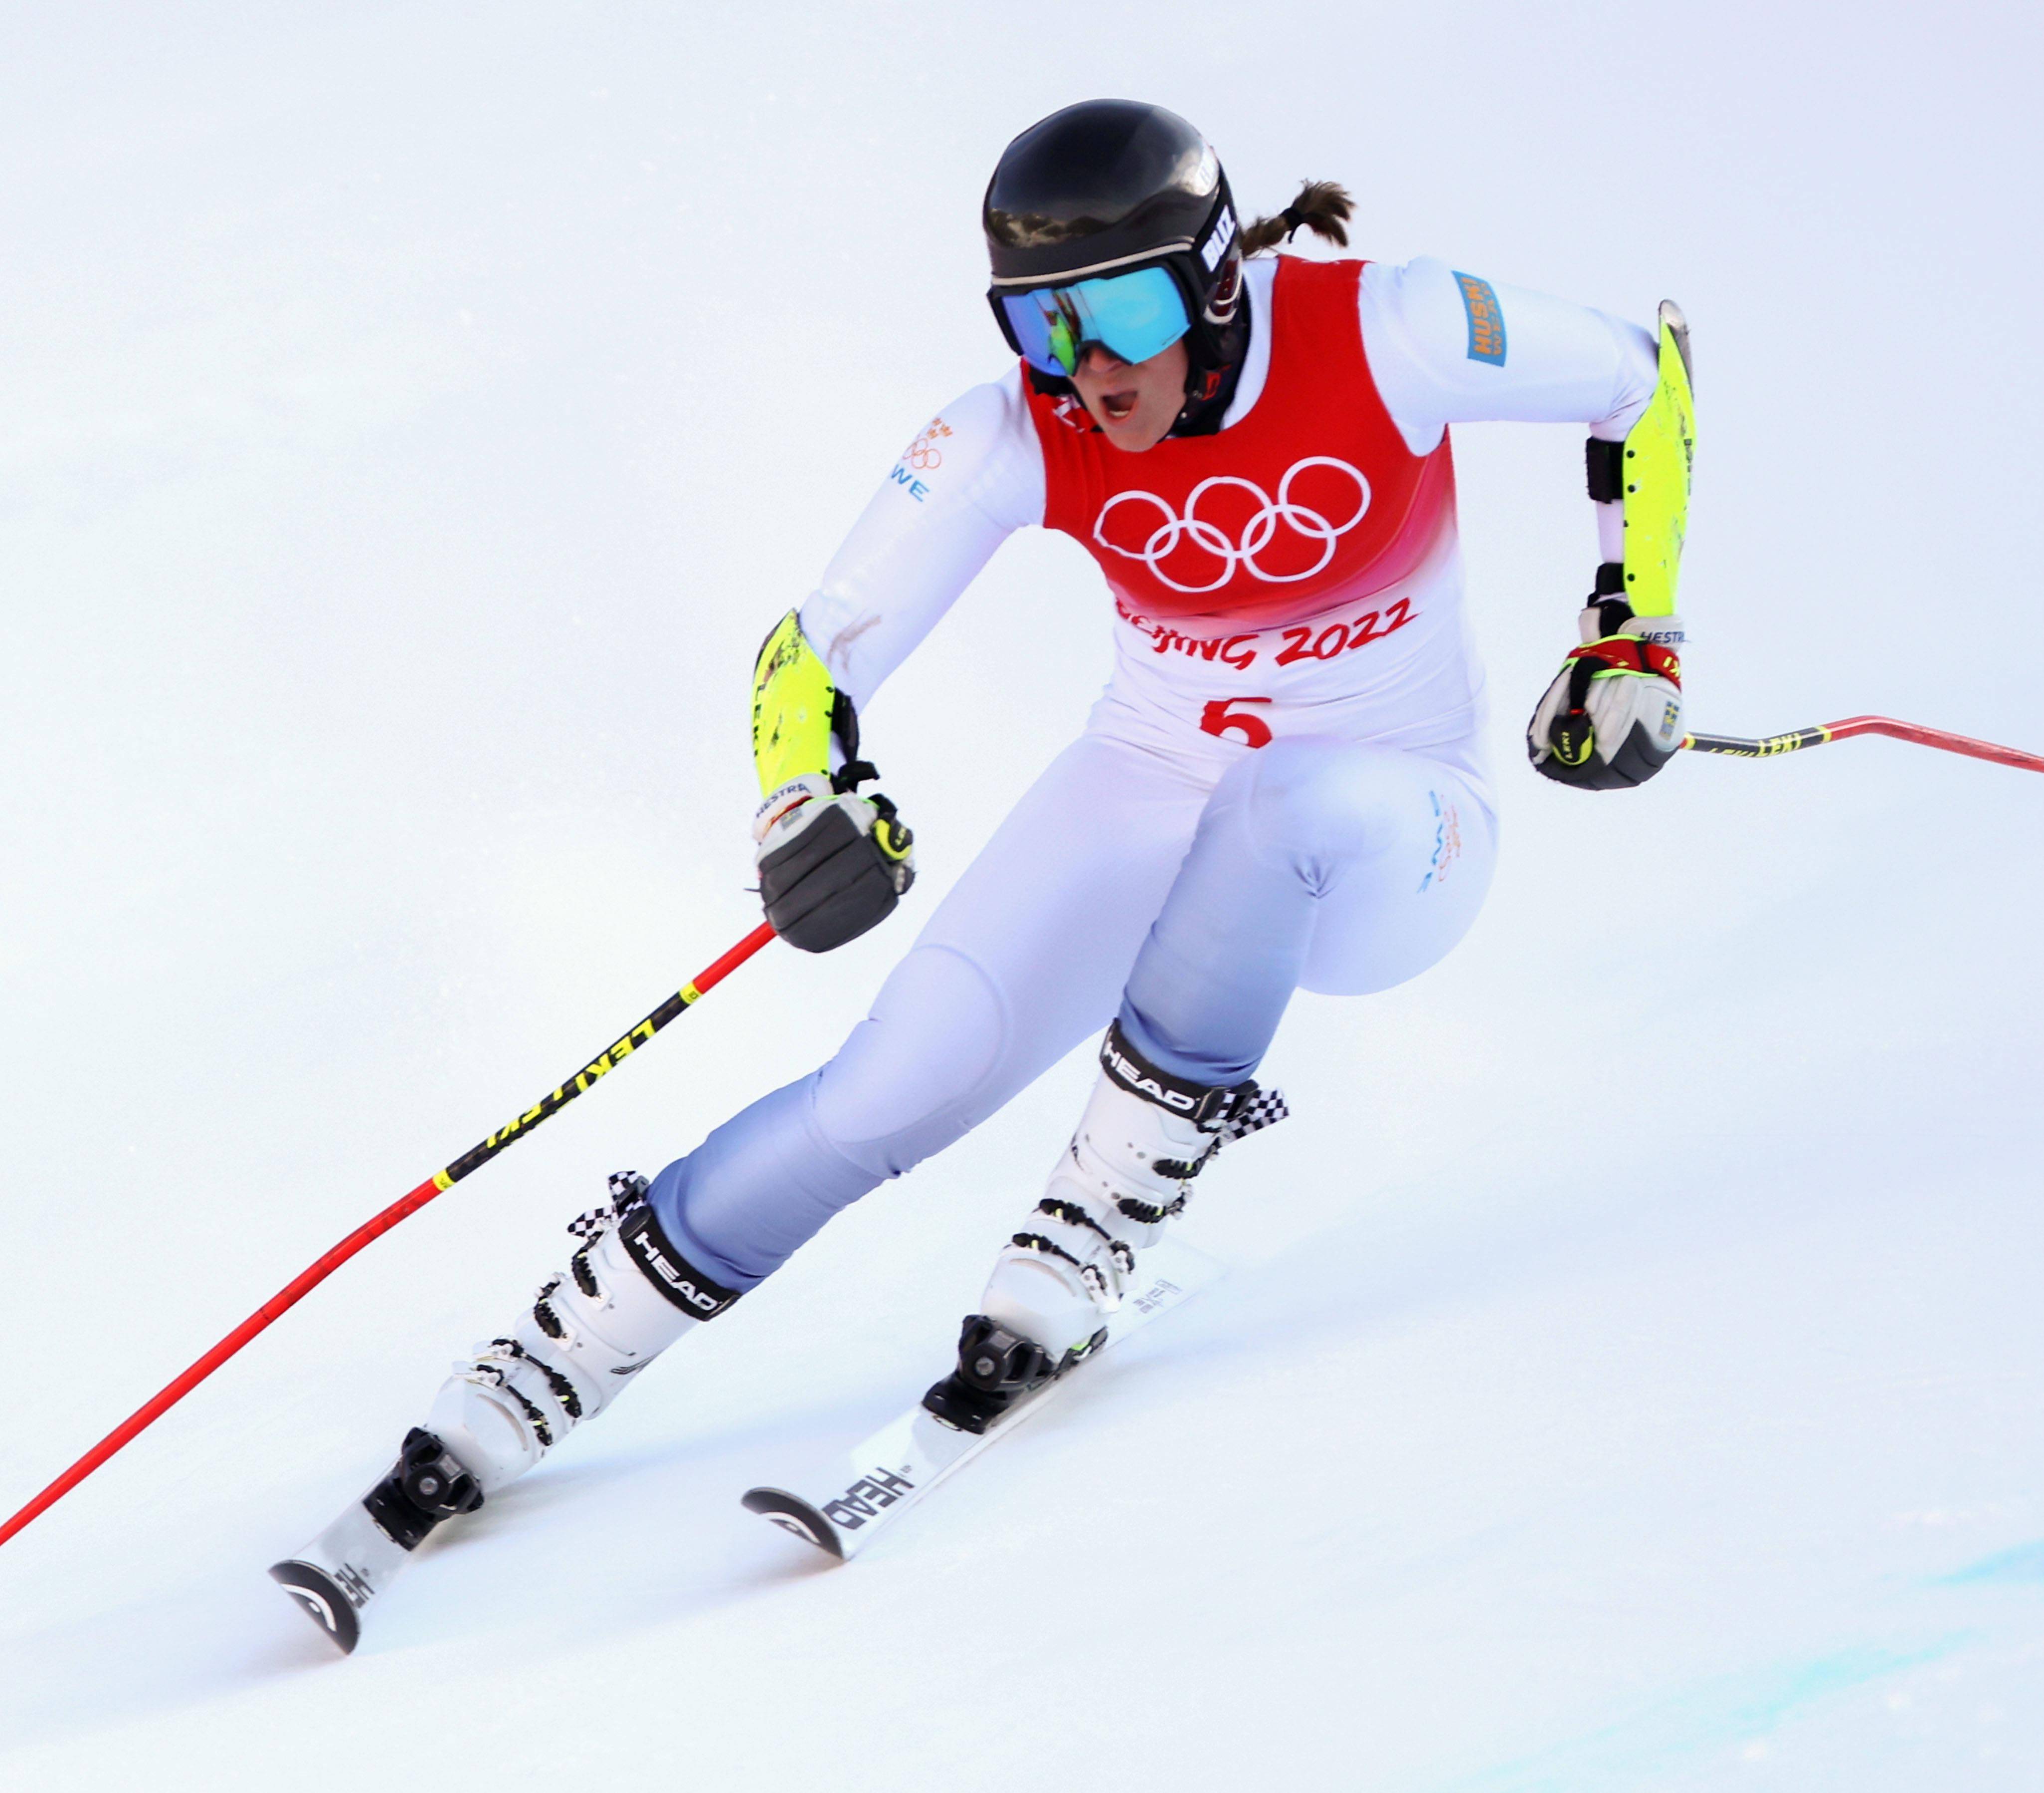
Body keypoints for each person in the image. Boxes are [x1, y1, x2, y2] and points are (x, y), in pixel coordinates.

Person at [274, 98, 1693, 1647]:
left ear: (1219, 278)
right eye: (1042, 323)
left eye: (1125, 309)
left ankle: (1081, 1237)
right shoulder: (1014, 428)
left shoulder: (1397, 329)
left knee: (1282, 805)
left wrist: (1631, 633)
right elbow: (812, 645)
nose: (1089, 366)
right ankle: (539, 1370)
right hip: (1151, 783)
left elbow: (1646, 374)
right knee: (894, 1079)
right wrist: (799, 797)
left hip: (1395, 830)